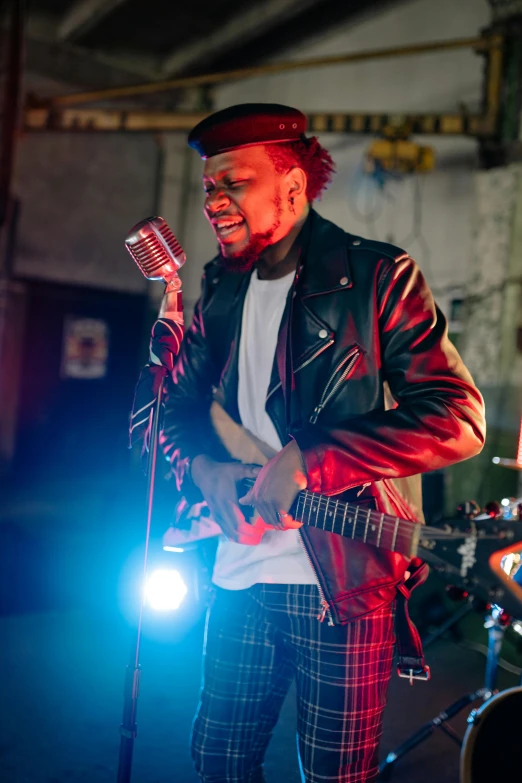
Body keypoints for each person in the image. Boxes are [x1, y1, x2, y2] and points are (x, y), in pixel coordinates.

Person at [159, 103, 486, 783]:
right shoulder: (220, 288)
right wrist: (204, 468)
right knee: (216, 764)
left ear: (293, 187)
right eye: (209, 188)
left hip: (343, 583)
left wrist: (312, 456)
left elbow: (458, 416)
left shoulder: (377, 276)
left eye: (234, 184)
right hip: (237, 572)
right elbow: (178, 409)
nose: (215, 202)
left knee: (335, 777)